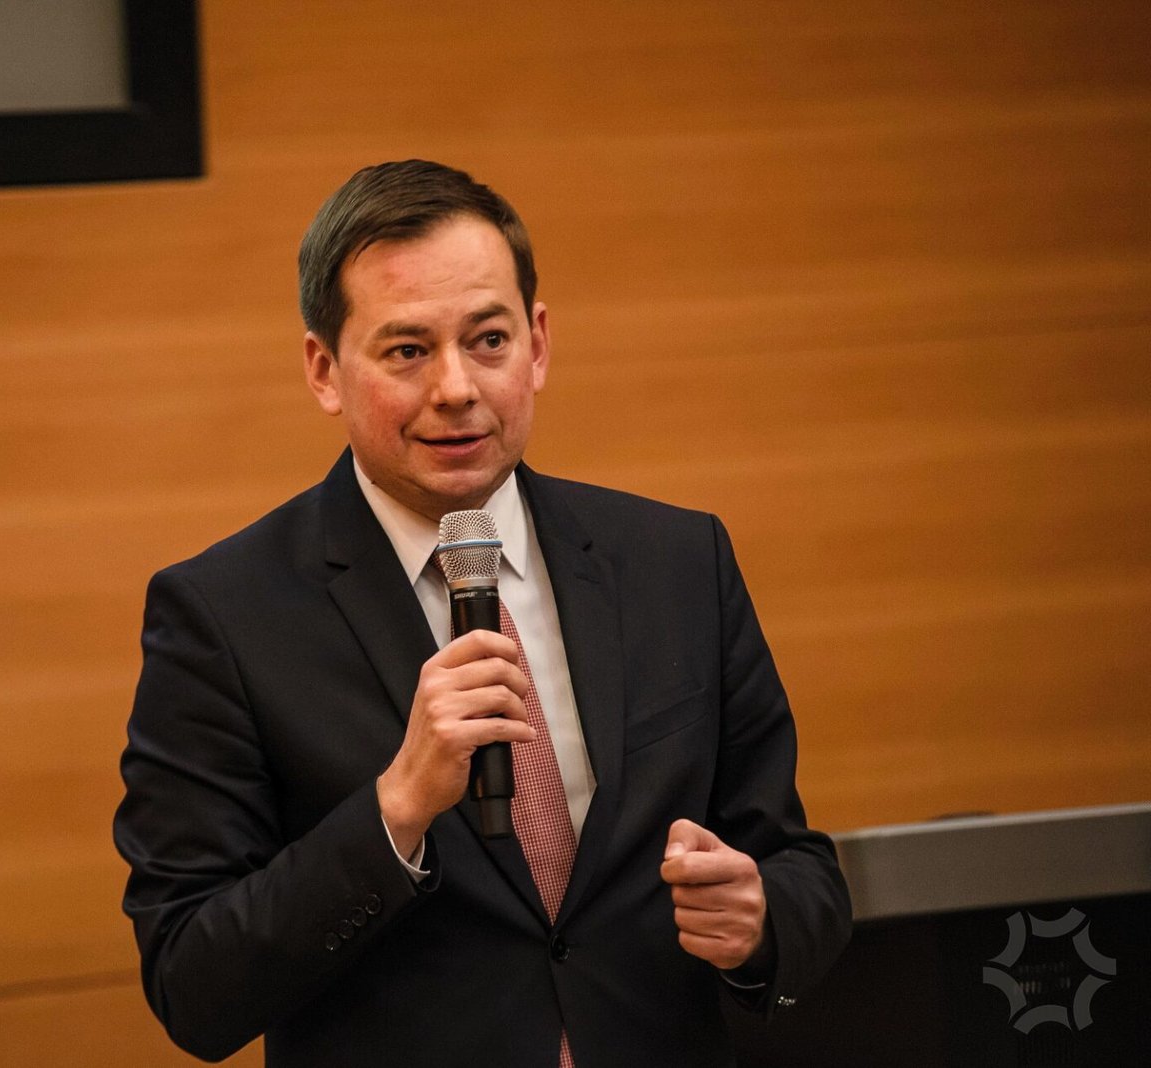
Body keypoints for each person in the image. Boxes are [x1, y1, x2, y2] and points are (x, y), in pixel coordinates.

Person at [114, 160, 851, 1067]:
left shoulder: (676, 562)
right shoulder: (225, 616)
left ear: (537, 345)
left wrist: (761, 923)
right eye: (407, 351)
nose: (457, 387)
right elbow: (194, 985)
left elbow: (800, 868)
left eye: (488, 340)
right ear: (324, 370)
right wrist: (396, 809)